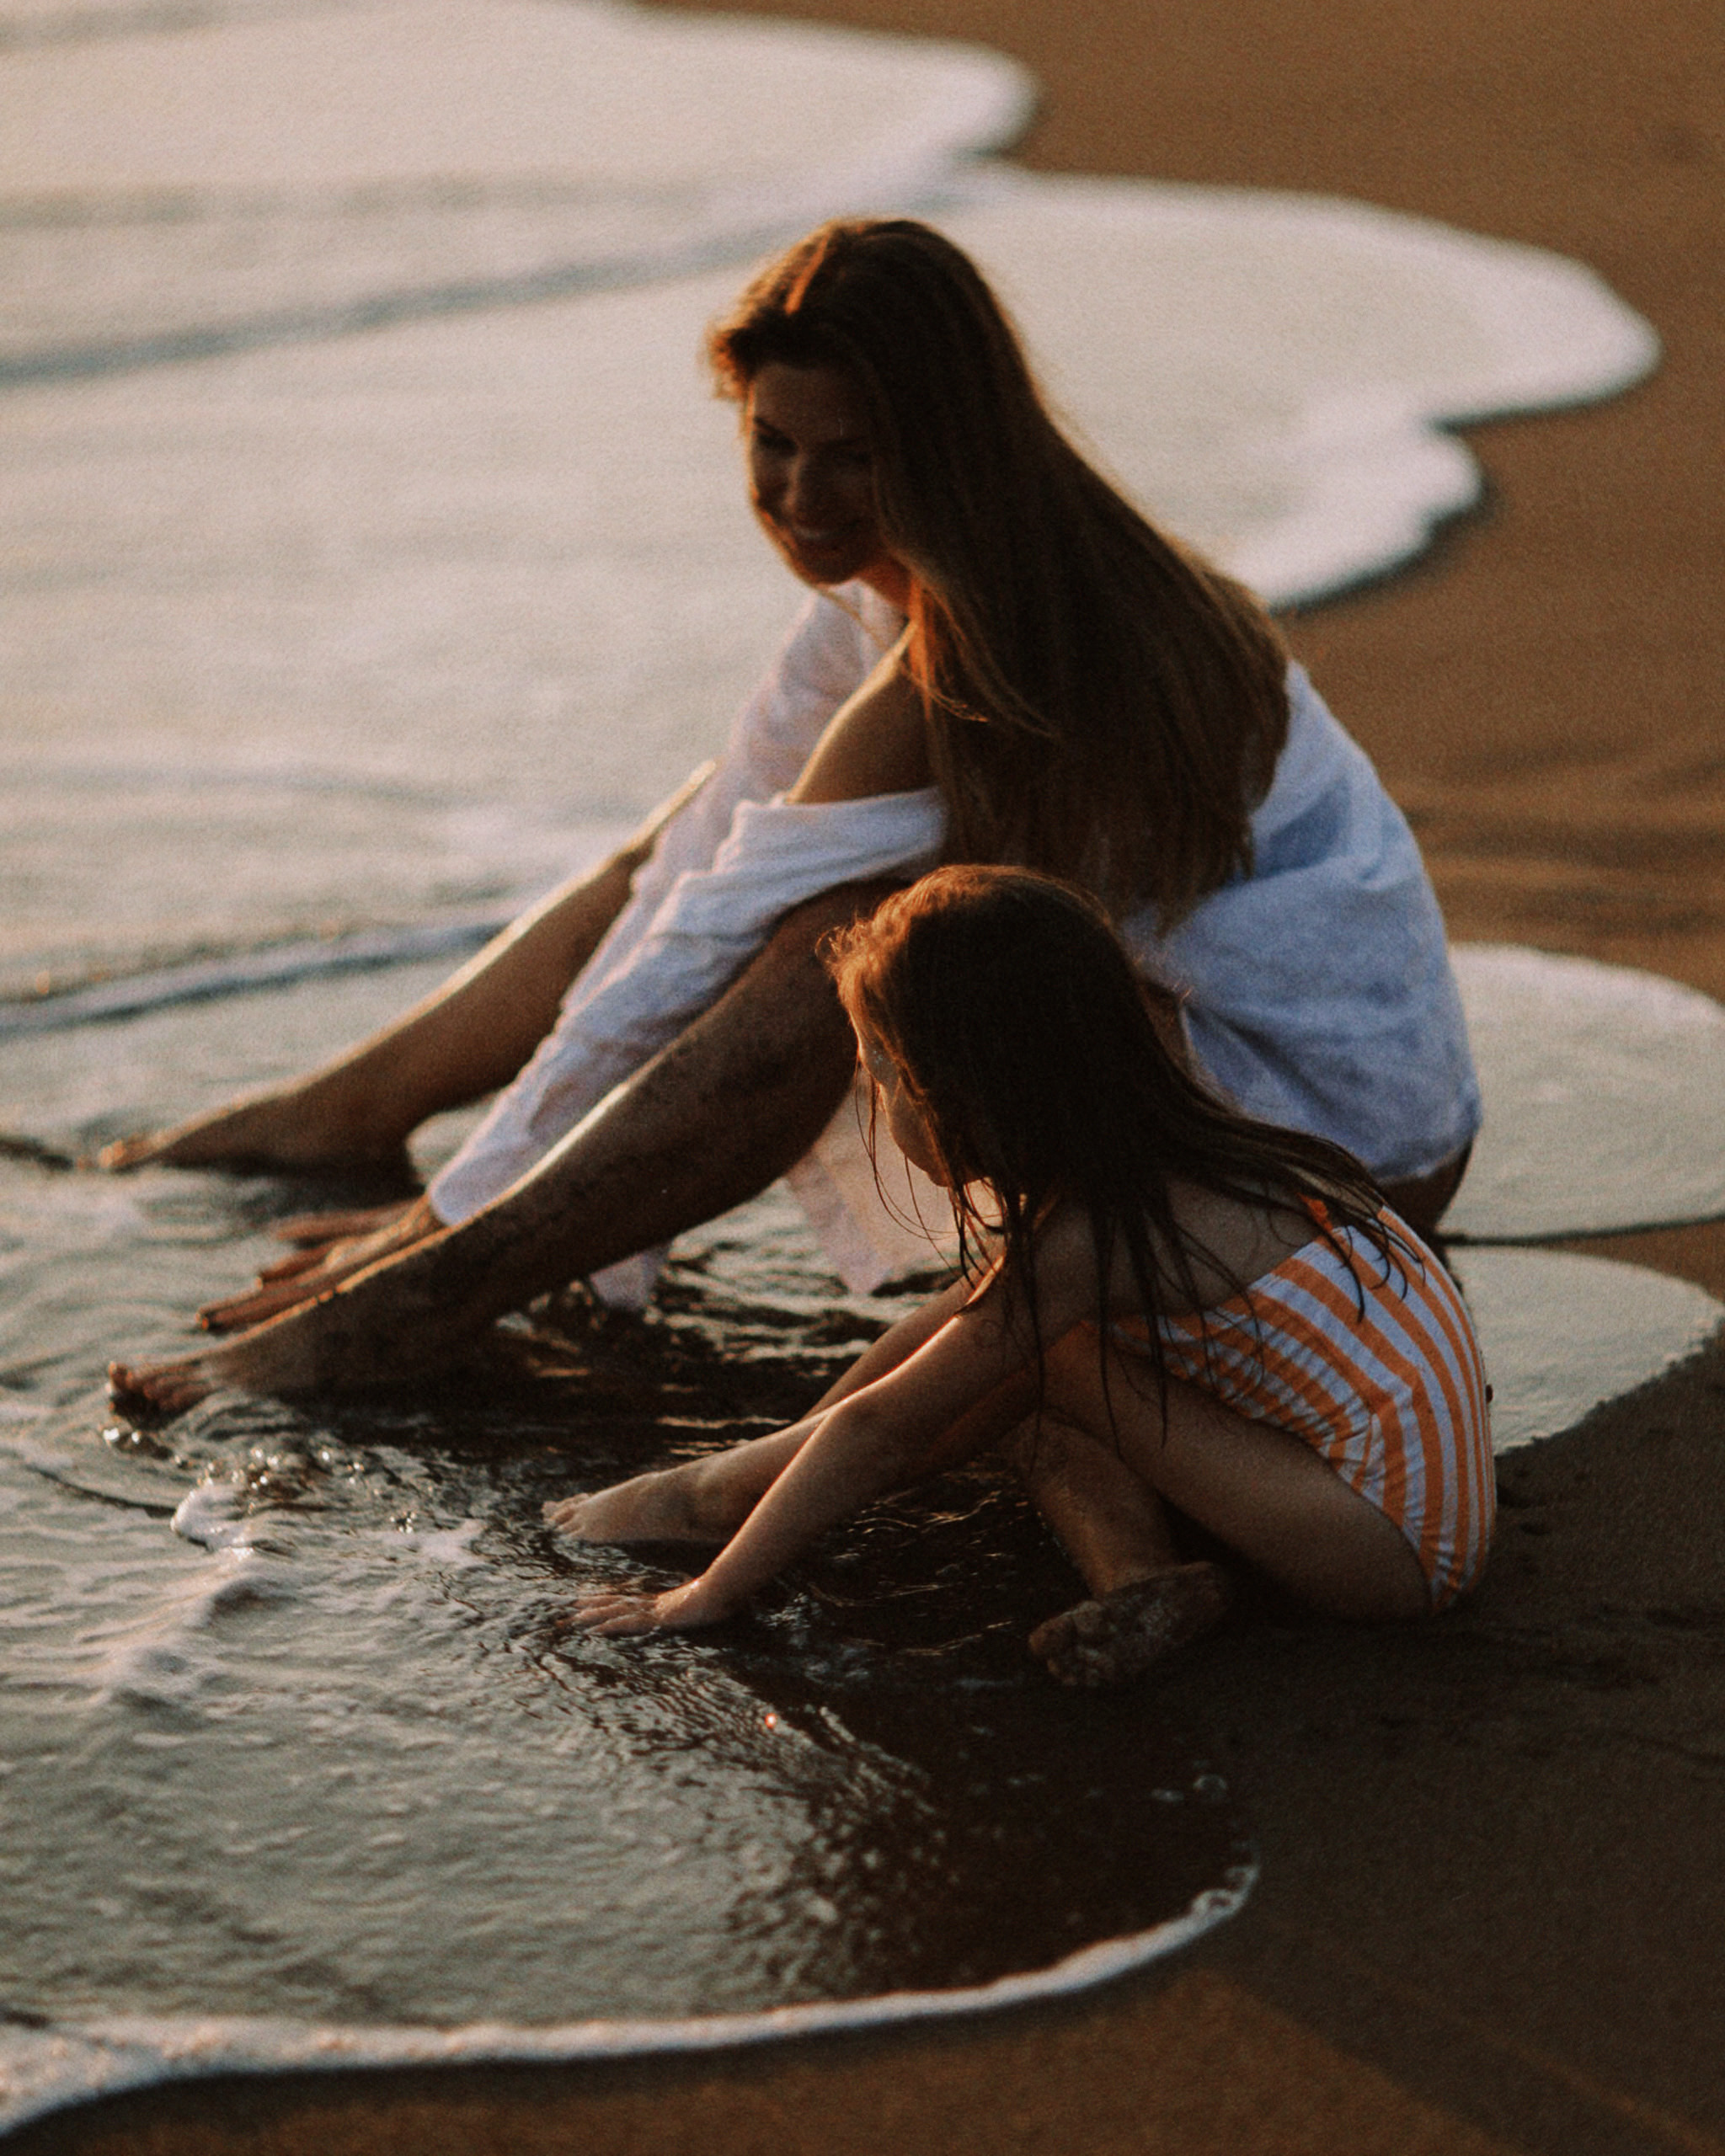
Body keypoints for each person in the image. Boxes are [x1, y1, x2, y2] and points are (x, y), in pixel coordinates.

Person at [106, 216, 1478, 1417]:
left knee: (837, 940)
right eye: (772, 444)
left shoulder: (1000, 651)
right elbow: (683, 875)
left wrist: (450, 1238)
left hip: (1323, 1163)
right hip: (1282, 1102)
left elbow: (709, 959)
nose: (801, 501)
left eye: (854, 459)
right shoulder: (950, 581)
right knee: (714, 830)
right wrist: (461, 1182)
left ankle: (431, 1304)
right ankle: (353, 1107)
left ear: (944, 450)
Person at [558, 868, 1495, 1686]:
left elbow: (883, 1427)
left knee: (1041, 1360)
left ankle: (711, 1499)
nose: (873, 1102)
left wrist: (712, 1590)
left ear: (953, 1091)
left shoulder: (1088, 1243)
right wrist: (795, 1453)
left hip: (1389, 1554)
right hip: (1395, 1504)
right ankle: (1138, 1579)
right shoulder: (1191, 1155)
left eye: (877, 1075)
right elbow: (937, 1340)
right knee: (1012, 1351)